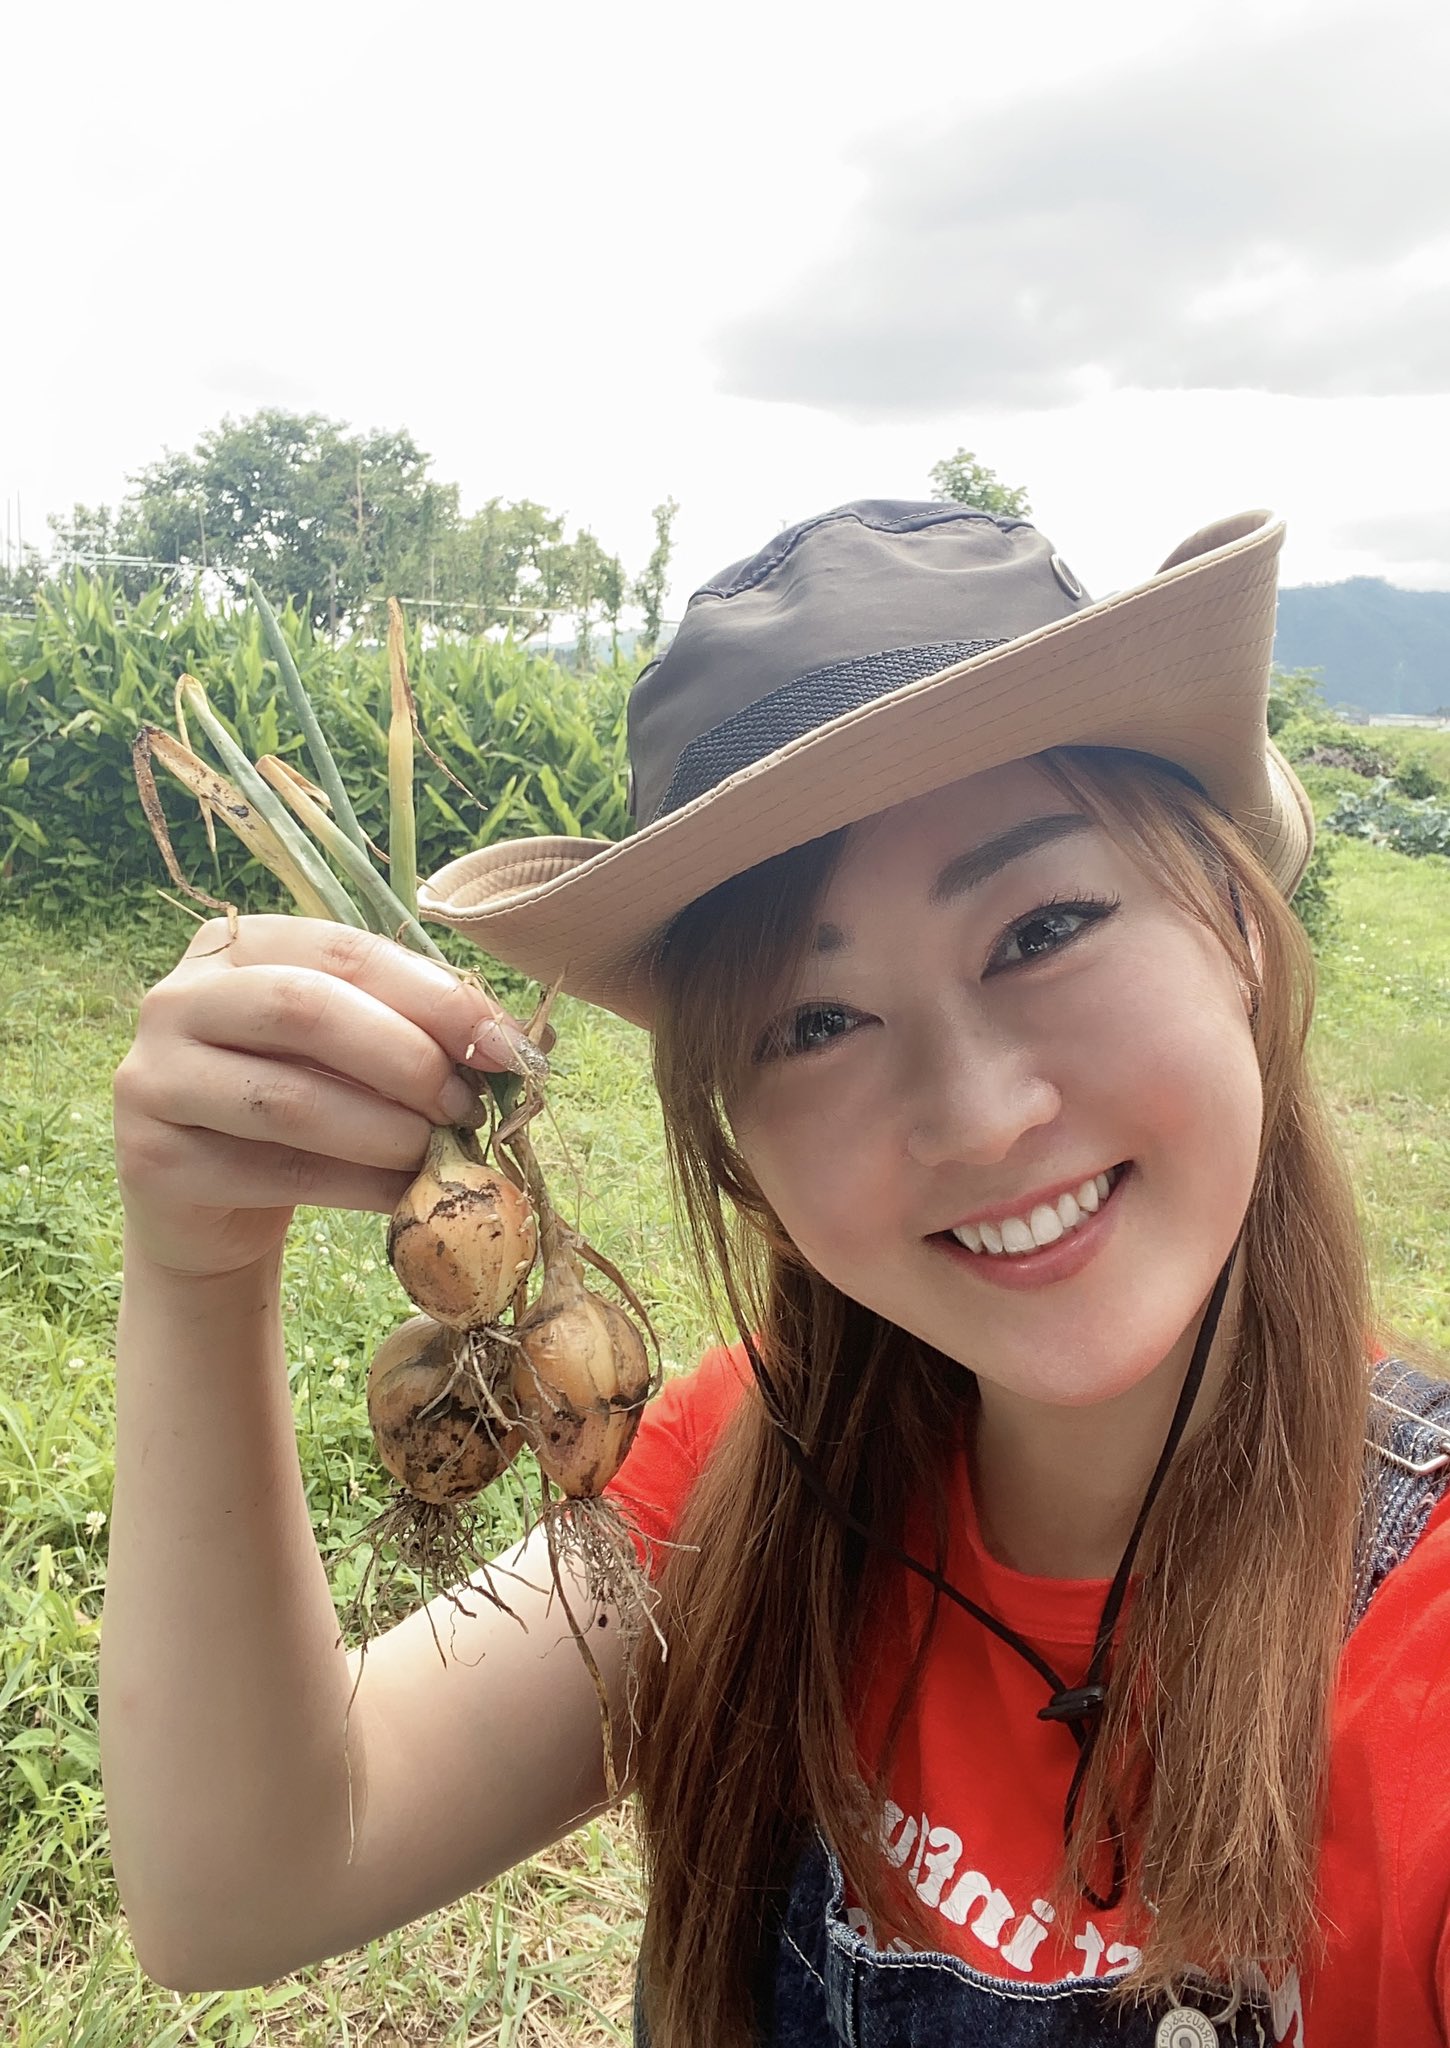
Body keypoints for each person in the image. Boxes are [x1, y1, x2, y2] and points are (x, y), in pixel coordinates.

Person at [102, 501, 1450, 2048]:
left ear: (1239, 931)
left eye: (1045, 926)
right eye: (813, 1023)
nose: (975, 1115)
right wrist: (199, 1271)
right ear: (741, 1141)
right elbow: (240, 1888)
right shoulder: (746, 1467)